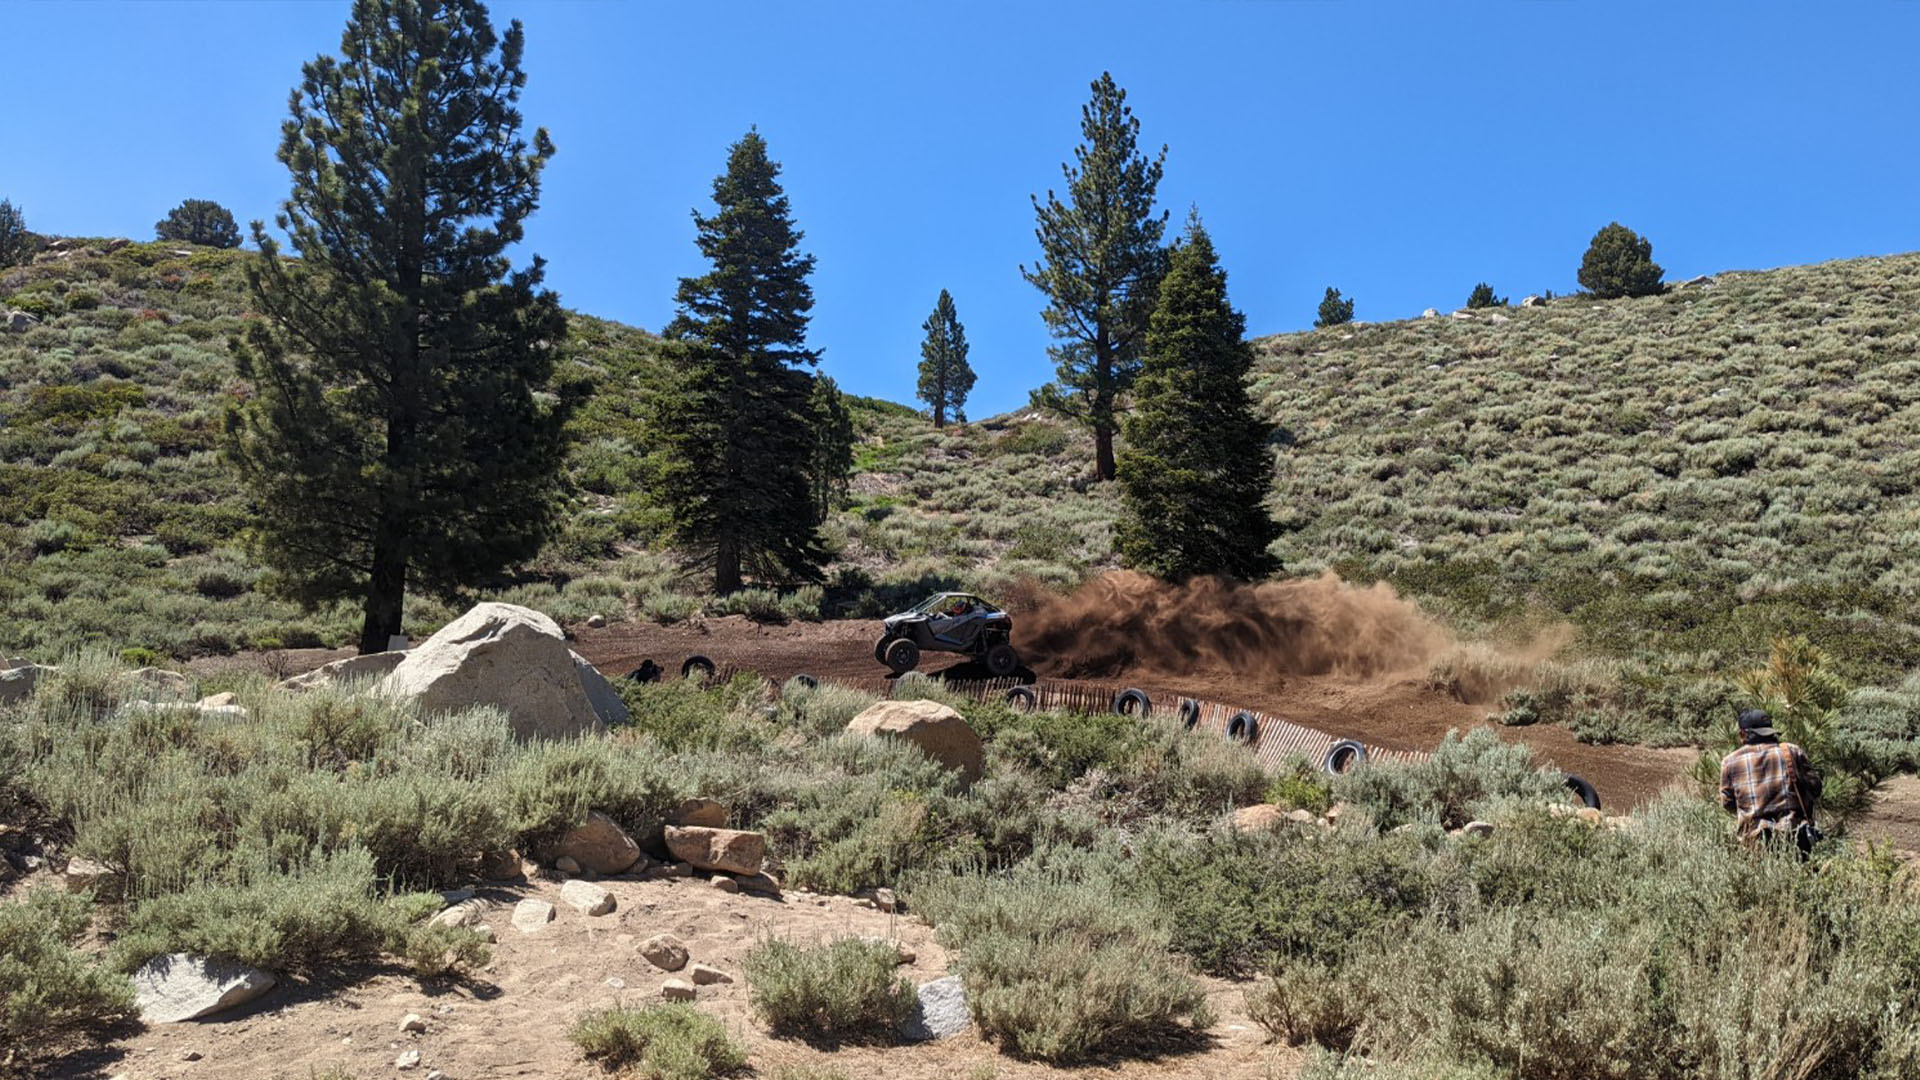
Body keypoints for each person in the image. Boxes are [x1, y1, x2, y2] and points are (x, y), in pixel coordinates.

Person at [1719, 708, 1823, 856]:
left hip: (1754, 843)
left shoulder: (1730, 762)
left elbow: (1728, 803)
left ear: (1743, 734)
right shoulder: (1792, 751)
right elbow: (1815, 788)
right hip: (1794, 837)